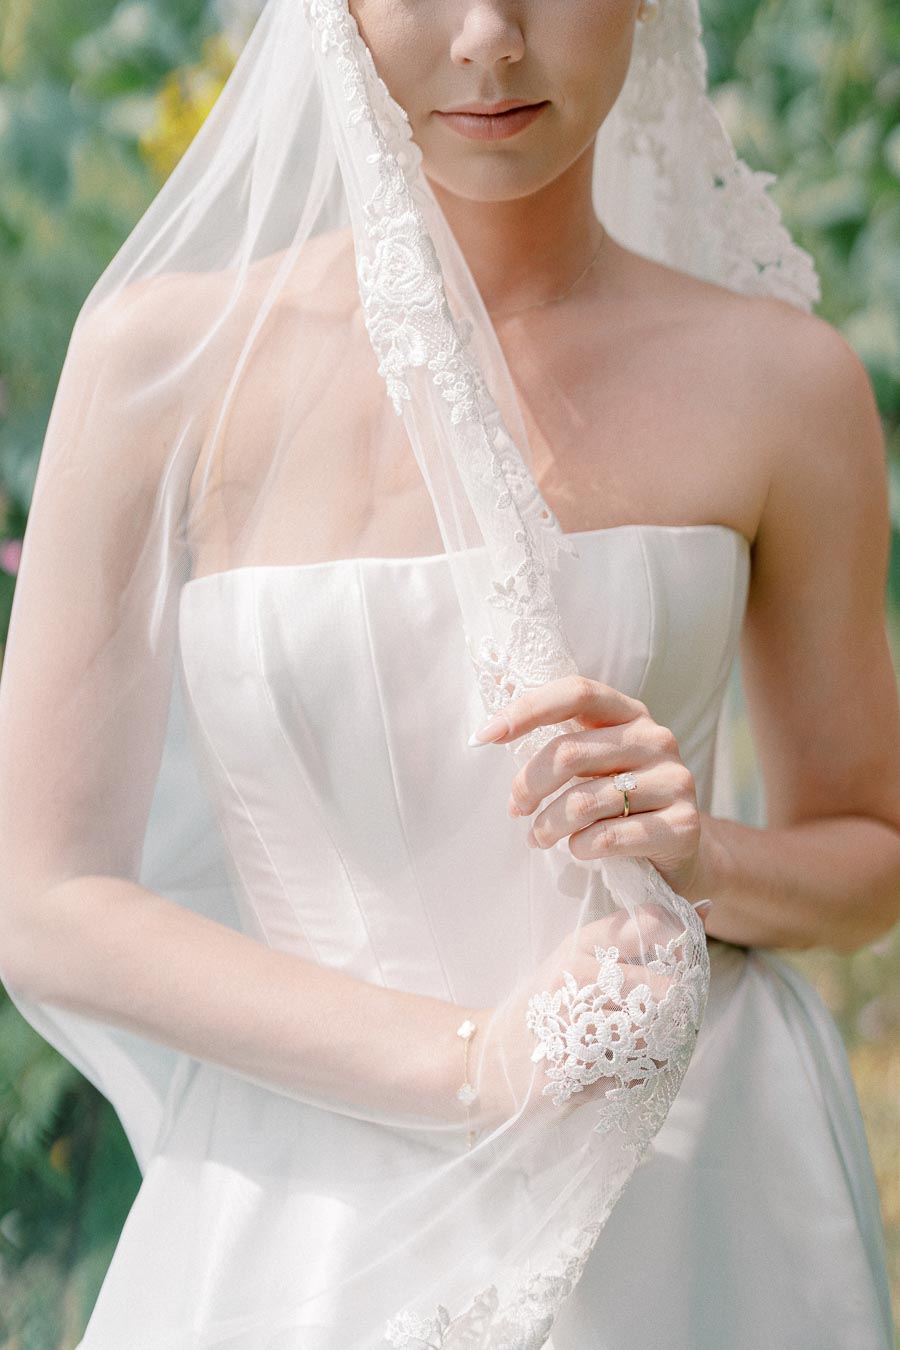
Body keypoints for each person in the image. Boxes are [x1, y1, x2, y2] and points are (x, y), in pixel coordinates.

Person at [0, 0, 898, 1345]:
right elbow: (47, 896)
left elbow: (874, 848)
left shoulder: (783, 383)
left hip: (696, 1186)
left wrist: (705, 855)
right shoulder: (164, 366)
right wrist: (472, 1069)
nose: (488, 39)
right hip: (310, 1212)